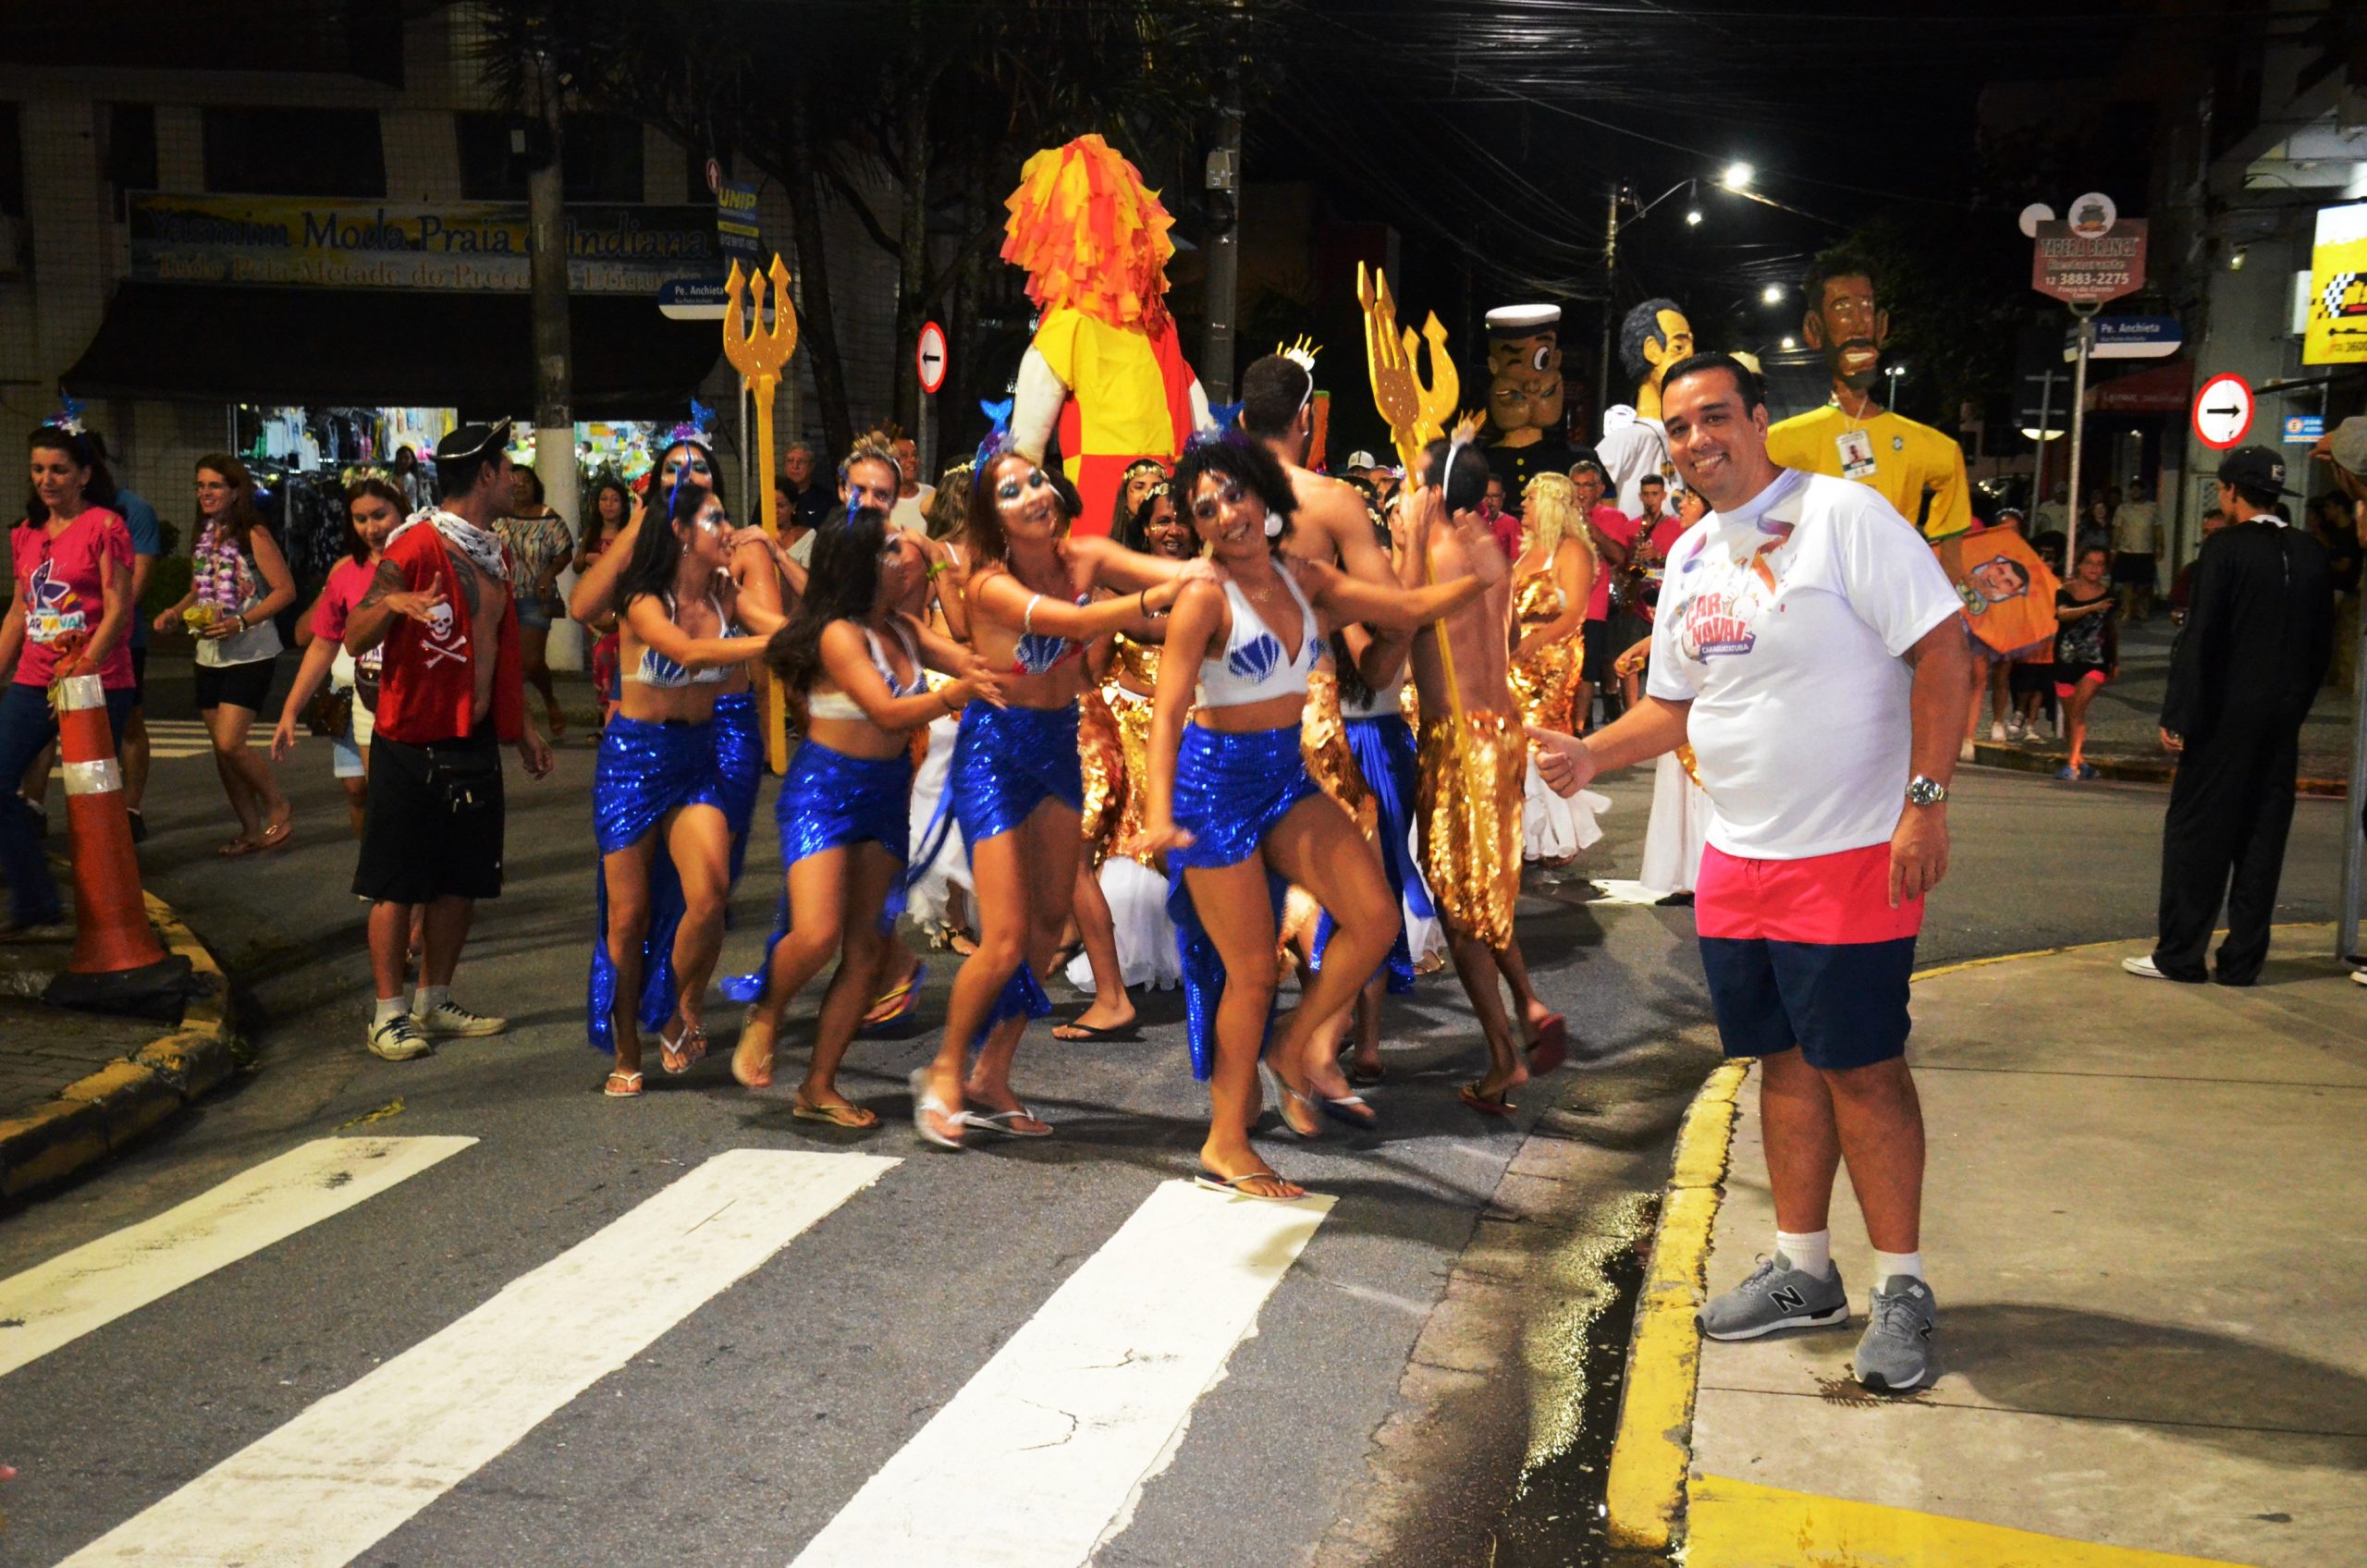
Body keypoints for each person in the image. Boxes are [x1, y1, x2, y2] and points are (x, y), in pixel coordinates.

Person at [1532, 353, 1971, 1394]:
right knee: (1778, 1062)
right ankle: (1802, 1268)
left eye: (1715, 417)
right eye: (1678, 428)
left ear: (1759, 418)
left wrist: (1925, 802)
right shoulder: (1688, 554)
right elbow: (1678, 707)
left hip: (1850, 852)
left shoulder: (1844, 518)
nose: (1697, 441)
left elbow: (1947, 650)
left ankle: (1902, 1285)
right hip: (1738, 860)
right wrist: (1592, 754)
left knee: (1863, 1068)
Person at [1132, 432, 1500, 1199]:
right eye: (1206, 508)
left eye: (1234, 494)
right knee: (1252, 974)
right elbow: (1168, 712)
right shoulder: (1204, 596)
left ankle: (1296, 1049)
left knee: (1374, 918)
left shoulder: (1304, 577)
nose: (1225, 515)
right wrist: (1160, 815)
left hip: (1282, 777)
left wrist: (1481, 574)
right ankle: (1225, 1141)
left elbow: (1403, 608)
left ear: (1265, 493)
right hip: (1214, 790)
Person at [908, 447, 1216, 1149]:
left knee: (1047, 929)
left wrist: (1210, 568)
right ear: (993, 516)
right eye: (1011, 490)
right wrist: (1148, 598)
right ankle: (946, 1071)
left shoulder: (1087, 555)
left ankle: (993, 1073)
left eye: (1037, 480)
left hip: (1056, 745)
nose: (1034, 494)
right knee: (1007, 933)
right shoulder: (989, 584)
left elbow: (1174, 572)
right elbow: (1071, 625)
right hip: (995, 754)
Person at [733, 508, 1000, 1119]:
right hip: (824, 793)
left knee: (868, 949)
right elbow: (887, 712)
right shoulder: (837, 635)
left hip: (884, 793)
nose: (903, 558)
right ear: (858, 567)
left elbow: (973, 658)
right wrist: (955, 695)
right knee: (818, 933)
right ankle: (768, 1009)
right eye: (890, 550)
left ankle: (817, 1088)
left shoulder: (905, 628)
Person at [343, 421, 555, 1061]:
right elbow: (355, 634)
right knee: (397, 881)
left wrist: (520, 727)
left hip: (472, 736)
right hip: (411, 739)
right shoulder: (415, 547)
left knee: (461, 881)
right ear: (485, 476)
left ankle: (435, 999)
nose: (516, 474)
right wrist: (393, 605)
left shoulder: (494, 548)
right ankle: (387, 1014)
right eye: (507, 464)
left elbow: (501, 646)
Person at [585, 483, 771, 1096]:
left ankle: (673, 1008)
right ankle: (626, 1048)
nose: (727, 526)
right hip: (634, 761)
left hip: (697, 757)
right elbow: (687, 654)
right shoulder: (642, 599)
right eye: (716, 518)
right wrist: (770, 642)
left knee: (710, 891)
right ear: (683, 532)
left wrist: (800, 613)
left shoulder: (725, 594)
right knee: (628, 916)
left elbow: (781, 626)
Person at [2127, 447, 2333, 987]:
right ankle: (2243, 961)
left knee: (2199, 836)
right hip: (2281, 720)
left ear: (2232, 492)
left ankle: (2181, 954)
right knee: (2263, 839)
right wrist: (2294, 707)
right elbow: (2321, 647)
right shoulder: (2310, 552)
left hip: (2223, 718)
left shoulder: (2226, 550)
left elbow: (2202, 637)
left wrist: (2179, 714)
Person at [1409, 437, 1569, 1115]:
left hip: (1457, 740)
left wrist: (1407, 543)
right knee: (1487, 892)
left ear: (1435, 494)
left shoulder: (1434, 554)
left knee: (1458, 906)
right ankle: (1529, 1006)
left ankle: (1504, 1058)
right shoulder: (1490, 553)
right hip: (1501, 735)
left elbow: (1395, 622)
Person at [0, 427, 137, 934]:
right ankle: (35, 899)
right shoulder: (25, 534)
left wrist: (83, 669)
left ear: (84, 474)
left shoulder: (105, 526)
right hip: (36, 678)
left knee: (92, 801)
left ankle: (109, 919)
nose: (47, 479)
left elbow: (118, 606)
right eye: (38, 469)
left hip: (96, 682)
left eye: (59, 469)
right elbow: (20, 611)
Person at [153, 455, 296, 856]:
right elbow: (200, 589)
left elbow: (286, 591)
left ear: (235, 491)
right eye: (200, 485)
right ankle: (249, 829)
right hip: (208, 653)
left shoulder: (255, 535)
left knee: (231, 742)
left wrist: (241, 622)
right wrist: (175, 613)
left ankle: (277, 804)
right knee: (221, 749)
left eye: (214, 485)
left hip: (251, 652)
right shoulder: (206, 534)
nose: (205, 493)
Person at [272, 479, 402, 836]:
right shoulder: (346, 573)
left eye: (380, 515)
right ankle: (385, 879)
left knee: (416, 800)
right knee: (377, 795)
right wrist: (290, 711)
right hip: (369, 698)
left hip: (421, 699)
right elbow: (321, 643)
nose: (371, 528)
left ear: (401, 510)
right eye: (360, 519)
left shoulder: (425, 560)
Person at [1506, 472, 1607, 865]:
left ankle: (1559, 835)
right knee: (1515, 738)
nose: (1523, 506)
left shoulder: (1571, 551)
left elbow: (1575, 612)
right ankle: (1529, 831)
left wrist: (1536, 642)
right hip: (1515, 661)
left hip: (1551, 660)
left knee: (1542, 736)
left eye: (1529, 498)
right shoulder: (1524, 554)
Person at [497, 462, 574, 741]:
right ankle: (516, 721)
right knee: (504, 664)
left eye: (525, 482)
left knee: (531, 661)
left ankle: (550, 701)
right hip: (500, 596)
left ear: (535, 486)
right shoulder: (496, 517)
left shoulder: (547, 517)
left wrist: (549, 573)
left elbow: (565, 551)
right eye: (514, 482)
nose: (519, 487)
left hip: (534, 596)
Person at [1596, 297, 1694, 515]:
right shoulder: (1625, 441)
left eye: (1691, 346)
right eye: (1679, 347)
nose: (1690, 355)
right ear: (1651, 350)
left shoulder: (1687, 439)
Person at [1566, 457, 1633, 730]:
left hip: (1594, 606)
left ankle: (1580, 728)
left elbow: (1619, 557)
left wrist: (1593, 531)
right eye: (1576, 485)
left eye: (1588, 485)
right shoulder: (1561, 516)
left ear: (1600, 488)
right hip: (1563, 603)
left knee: (1587, 671)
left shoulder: (1614, 517)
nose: (1581, 491)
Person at [2050, 545, 2117, 780]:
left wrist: (2114, 660)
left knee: (2078, 711)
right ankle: (2080, 760)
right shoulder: (2065, 590)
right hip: (2066, 659)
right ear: (2080, 564)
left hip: (2095, 661)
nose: (2094, 568)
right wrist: (2092, 607)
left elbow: (2110, 629)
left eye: (2100, 564)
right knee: (2071, 716)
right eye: (2090, 562)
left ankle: (2072, 764)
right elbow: (2063, 614)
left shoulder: (2109, 595)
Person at [2109, 482, 2162, 624]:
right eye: (2132, 489)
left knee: (2144, 584)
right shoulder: (2122, 508)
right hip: (2126, 551)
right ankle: (2127, 610)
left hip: (2146, 551)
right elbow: (2117, 529)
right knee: (2127, 583)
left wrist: (2160, 546)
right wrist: (2113, 548)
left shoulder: (2153, 507)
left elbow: (2158, 528)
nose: (2135, 492)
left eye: (2138, 489)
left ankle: (2141, 608)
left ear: (2143, 491)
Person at [780, 442, 831, 533]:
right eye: (790, 461)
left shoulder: (825, 499)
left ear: (811, 466)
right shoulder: (772, 495)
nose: (795, 466)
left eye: (800, 461)